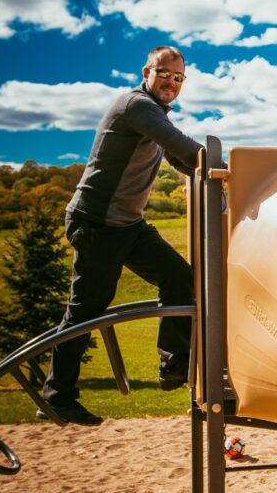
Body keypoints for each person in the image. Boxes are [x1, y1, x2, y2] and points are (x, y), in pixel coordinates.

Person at [38, 46, 203, 426]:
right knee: (86, 311)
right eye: (164, 73)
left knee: (179, 276)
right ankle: (56, 395)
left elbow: (180, 159)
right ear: (147, 71)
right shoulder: (136, 106)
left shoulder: (153, 114)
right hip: (97, 223)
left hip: (127, 225)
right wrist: (233, 168)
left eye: (179, 78)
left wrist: (213, 176)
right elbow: (187, 149)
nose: (171, 83)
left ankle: (174, 364)